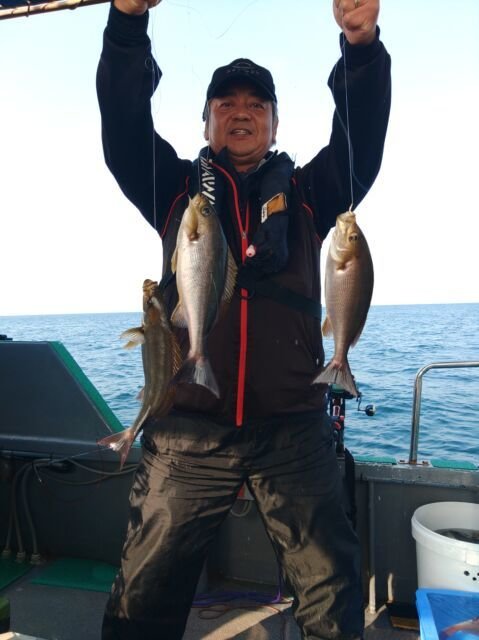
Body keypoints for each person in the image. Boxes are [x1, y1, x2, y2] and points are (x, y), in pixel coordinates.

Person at [96, 0, 391, 638]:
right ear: (206, 122)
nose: (240, 112)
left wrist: (362, 47)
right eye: (225, 103)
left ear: (275, 124)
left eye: (256, 104)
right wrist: (126, 22)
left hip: (294, 427)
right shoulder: (175, 192)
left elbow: (361, 141)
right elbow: (122, 126)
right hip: (187, 431)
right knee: (141, 601)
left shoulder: (310, 193)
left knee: (332, 598)